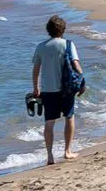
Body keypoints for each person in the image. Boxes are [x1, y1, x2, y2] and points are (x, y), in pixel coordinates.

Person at [31, 15, 82, 165]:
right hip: (67, 89)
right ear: (63, 29)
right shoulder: (68, 44)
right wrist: (82, 82)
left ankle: (49, 156)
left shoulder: (41, 47)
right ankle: (67, 151)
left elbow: (36, 69)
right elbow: (76, 65)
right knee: (69, 117)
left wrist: (36, 88)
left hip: (48, 90)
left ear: (48, 30)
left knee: (49, 122)